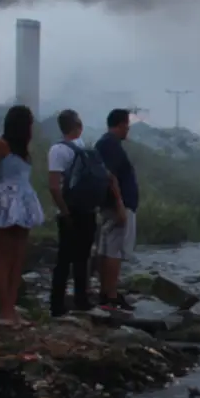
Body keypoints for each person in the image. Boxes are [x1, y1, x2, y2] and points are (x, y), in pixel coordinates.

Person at [0, 105, 45, 326]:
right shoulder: (0, 146)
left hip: (23, 206)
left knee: (17, 259)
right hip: (5, 205)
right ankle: (4, 311)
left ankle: (11, 308)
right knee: (5, 258)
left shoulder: (23, 152)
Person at [46, 109, 99, 316]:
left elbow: (54, 185)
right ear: (79, 127)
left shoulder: (58, 150)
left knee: (64, 259)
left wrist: (64, 211)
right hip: (88, 209)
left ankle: (57, 304)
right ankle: (81, 299)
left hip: (70, 209)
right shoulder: (84, 147)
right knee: (83, 257)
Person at [95, 109, 138, 310]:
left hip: (110, 204)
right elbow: (111, 177)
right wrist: (120, 205)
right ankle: (110, 296)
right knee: (114, 250)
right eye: (127, 124)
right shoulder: (111, 145)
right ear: (120, 124)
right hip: (116, 206)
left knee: (107, 248)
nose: (128, 128)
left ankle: (106, 292)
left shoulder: (105, 143)